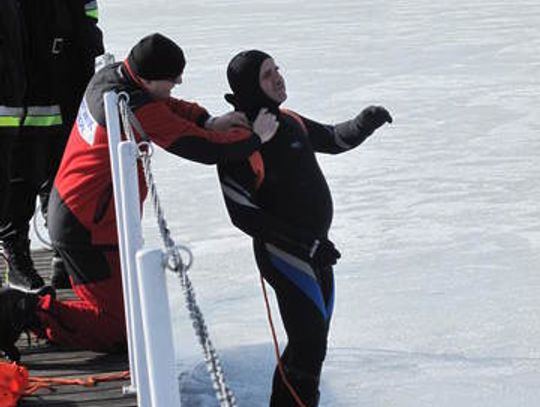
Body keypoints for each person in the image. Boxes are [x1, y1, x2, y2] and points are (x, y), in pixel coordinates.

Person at [0, 33, 278, 361]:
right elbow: (201, 148)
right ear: (146, 78)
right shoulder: (132, 107)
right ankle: (22, 311)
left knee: (127, 308)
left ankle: (54, 300)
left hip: (78, 209)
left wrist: (208, 119)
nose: (178, 84)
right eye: (172, 81)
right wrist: (254, 139)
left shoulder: (114, 78)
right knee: (121, 330)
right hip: (86, 228)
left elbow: (166, 105)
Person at [217, 50, 392, 406]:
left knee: (309, 341)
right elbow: (242, 214)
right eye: (267, 75)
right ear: (250, 87)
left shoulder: (289, 120)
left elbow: (332, 138)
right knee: (310, 341)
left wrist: (364, 122)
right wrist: (306, 244)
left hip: (317, 249)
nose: (278, 77)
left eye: (277, 69)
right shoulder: (240, 138)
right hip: (285, 253)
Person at [0, 0, 104, 290]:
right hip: (21, 91)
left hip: (64, 83)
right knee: (20, 178)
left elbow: (88, 20)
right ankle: (16, 258)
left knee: (64, 180)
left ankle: (64, 254)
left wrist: (90, 74)